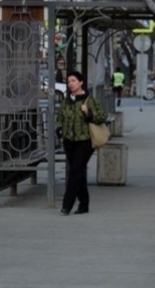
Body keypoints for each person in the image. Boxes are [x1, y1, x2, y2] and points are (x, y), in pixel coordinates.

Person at [56, 71, 108, 215]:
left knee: (75, 172)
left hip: (85, 141)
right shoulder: (66, 101)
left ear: (81, 82)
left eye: (73, 80)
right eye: (68, 81)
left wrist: (88, 113)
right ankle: (84, 204)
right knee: (77, 172)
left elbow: (103, 116)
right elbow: (59, 117)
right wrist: (59, 129)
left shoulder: (89, 100)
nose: (70, 84)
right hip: (69, 141)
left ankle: (67, 205)